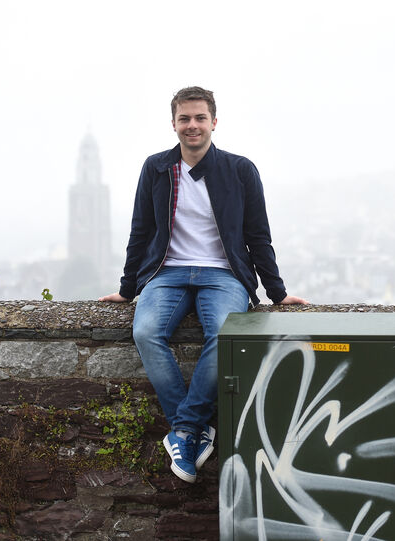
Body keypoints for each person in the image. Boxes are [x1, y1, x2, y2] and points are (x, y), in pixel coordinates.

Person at [100, 86, 307, 483]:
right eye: (184, 118)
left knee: (225, 335)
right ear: (174, 123)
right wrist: (128, 288)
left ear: (214, 121)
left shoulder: (239, 169)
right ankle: (192, 428)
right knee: (145, 330)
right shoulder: (157, 168)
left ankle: (183, 429)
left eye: (199, 118)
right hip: (168, 271)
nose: (191, 125)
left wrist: (276, 292)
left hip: (222, 273)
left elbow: (257, 235)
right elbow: (141, 230)